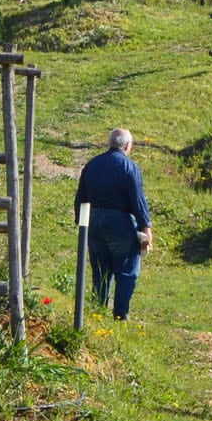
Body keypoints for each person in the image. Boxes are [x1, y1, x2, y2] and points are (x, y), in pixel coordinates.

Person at [76, 127, 152, 321]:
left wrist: (82, 223)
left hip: (93, 222)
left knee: (100, 271)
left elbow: (81, 197)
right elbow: (138, 199)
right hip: (119, 222)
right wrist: (146, 227)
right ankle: (120, 314)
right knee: (127, 270)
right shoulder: (129, 167)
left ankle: (97, 312)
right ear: (127, 145)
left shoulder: (92, 164)